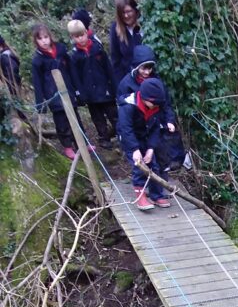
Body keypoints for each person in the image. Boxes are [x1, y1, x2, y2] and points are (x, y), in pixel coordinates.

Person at [116, 44, 187, 172]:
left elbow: (166, 103)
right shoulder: (126, 84)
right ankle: (142, 180)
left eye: (150, 68)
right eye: (144, 68)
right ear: (137, 66)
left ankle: (162, 170)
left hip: (154, 121)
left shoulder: (156, 81)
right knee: (140, 158)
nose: (147, 72)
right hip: (138, 124)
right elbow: (123, 107)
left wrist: (169, 120)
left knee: (157, 149)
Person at [117, 76, 172, 211]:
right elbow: (126, 129)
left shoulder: (154, 107)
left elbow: (155, 128)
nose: (156, 106)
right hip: (129, 138)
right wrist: (135, 149)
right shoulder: (128, 106)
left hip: (146, 137)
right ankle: (140, 195)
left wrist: (151, 149)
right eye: (153, 103)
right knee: (139, 166)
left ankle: (156, 194)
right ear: (145, 98)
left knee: (153, 165)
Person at [31, 23, 79, 159]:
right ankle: (68, 146)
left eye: (46, 37)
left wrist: (77, 89)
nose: (44, 41)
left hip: (68, 90)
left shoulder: (61, 50)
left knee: (75, 118)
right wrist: (40, 103)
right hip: (53, 95)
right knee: (62, 121)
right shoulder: (38, 60)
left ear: (50, 36)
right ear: (36, 41)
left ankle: (82, 143)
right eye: (40, 38)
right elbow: (37, 83)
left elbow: (71, 69)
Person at [68, 19, 118, 147]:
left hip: (105, 89)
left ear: (86, 32)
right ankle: (104, 138)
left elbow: (109, 69)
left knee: (113, 114)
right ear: (72, 38)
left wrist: (114, 86)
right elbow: (75, 77)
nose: (80, 39)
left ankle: (121, 134)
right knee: (98, 117)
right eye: (76, 36)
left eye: (82, 35)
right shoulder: (74, 56)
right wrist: (80, 94)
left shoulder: (98, 49)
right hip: (90, 93)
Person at [109, 0, 142, 84]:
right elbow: (115, 60)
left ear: (135, 10)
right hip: (129, 80)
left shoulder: (144, 26)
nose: (126, 16)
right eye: (123, 13)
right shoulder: (115, 29)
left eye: (129, 11)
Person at [0, 33, 27, 121]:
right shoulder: (8, 55)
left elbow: (12, 80)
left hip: (12, 94)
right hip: (14, 94)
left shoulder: (5, 58)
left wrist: (11, 96)